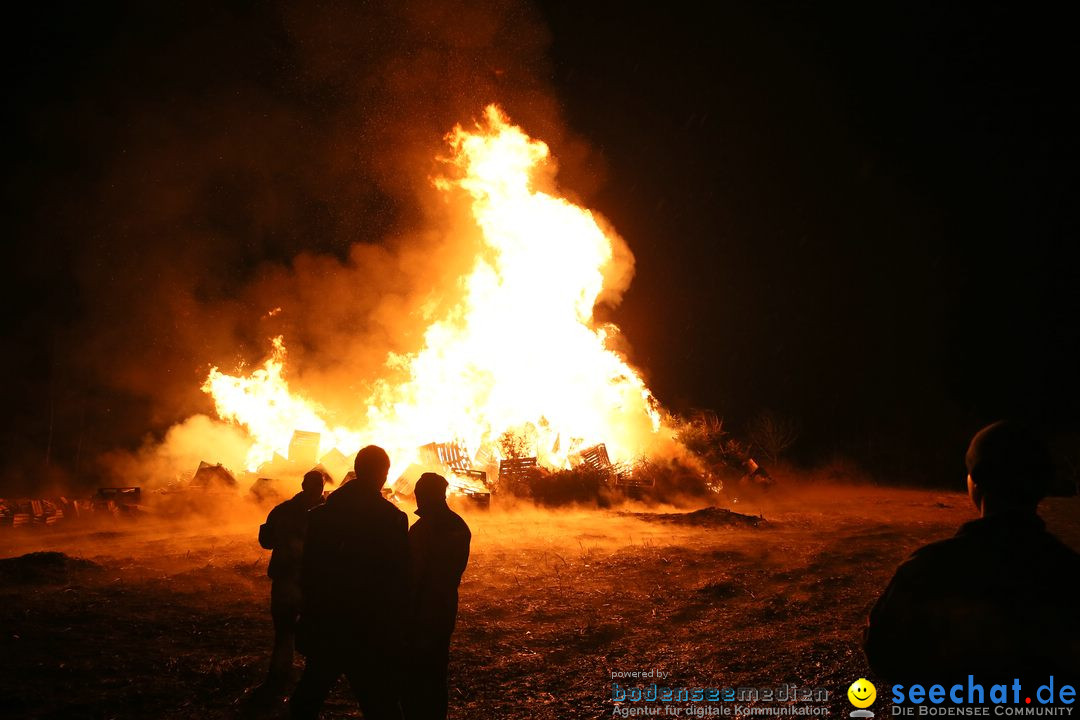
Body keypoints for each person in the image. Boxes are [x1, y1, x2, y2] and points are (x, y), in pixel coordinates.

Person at [864, 421, 1080, 681]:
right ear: (1042, 487)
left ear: (975, 481)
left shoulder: (927, 569)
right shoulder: (1069, 572)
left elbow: (882, 653)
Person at [289, 446, 409, 720]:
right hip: (368, 627)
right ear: (382, 473)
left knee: (309, 695)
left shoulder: (320, 516)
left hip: (327, 622)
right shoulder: (391, 519)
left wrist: (307, 614)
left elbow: (308, 571)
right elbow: (399, 578)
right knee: (380, 701)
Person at [404, 473, 471, 720]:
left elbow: (413, 575)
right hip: (444, 608)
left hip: (421, 612)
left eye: (419, 495)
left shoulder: (422, 530)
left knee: (415, 676)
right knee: (436, 673)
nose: (417, 500)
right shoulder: (459, 525)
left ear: (426, 496)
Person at [257, 469, 327, 691]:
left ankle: (280, 676)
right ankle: (307, 680)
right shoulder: (328, 515)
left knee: (285, 631)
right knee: (311, 632)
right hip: (312, 581)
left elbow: (266, 540)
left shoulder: (283, 510)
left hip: (288, 578)